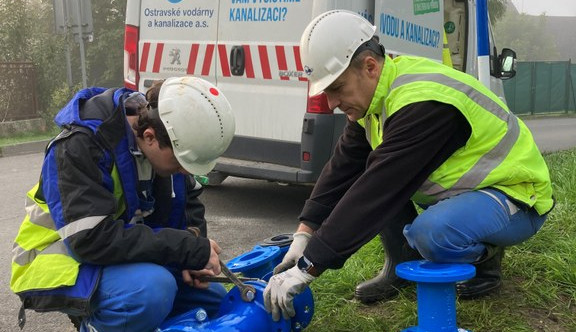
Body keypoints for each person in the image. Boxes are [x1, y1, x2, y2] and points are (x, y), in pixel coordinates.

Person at [263, 10, 554, 321]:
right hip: (469, 194)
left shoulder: (422, 104)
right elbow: (342, 169)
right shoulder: (377, 97)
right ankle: (401, 263)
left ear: (370, 67)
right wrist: (304, 233)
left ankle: (486, 258)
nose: (332, 103)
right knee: (376, 176)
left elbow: (378, 192)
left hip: (517, 197)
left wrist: (309, 267)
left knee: (431, 233)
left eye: (336, 88)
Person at [10, 76, 235, 331]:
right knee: (152, 291)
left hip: (117, 255)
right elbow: (90, 239)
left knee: (217, 299)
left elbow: (189, 202)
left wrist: (191, 251)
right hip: (60, 261)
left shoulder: (166, 139)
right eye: (181, 163)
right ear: (149, 137)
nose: (185, 171)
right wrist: (185, 248)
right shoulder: (80, 145)